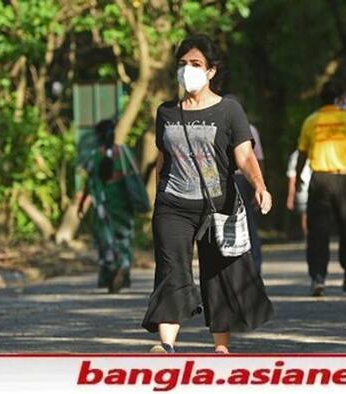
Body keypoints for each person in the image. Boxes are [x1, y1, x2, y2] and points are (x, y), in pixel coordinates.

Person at [142, 34, 273, 354]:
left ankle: (220, 346)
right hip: (173, 205)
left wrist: (260, 185)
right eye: (183, 64)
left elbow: (244, 155)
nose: (188, 70)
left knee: (220, 273)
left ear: (211, 71)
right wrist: (158, 200)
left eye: (196, 64)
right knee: (172, 268)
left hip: (218, 205)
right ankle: (167, 344)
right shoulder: (166, 112)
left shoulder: (229, 110)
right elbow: (162, 159)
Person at [295, 80, 346, 297]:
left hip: (319, 180)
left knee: (317, 231)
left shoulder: (311, 121)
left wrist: (299, 179)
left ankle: (318, 278)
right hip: (345, 181)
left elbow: (301, 153)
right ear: (341, 98)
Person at [77, 119, 143, 294]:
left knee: (105, 238)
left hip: (104, 203)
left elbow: (90, 183)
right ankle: (124, 265)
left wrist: (82, 203)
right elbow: (134, 176)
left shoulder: (94, 155)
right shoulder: (124, 152)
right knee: (125, 237)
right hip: (123, 202)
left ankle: (111, 267)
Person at [226, 94, 265, 274]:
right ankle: (253, 267)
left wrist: (259, 187)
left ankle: (245, 267)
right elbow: (257, 160)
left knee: (228, 223)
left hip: (235, 179)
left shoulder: (217, 126)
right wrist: (259, 185)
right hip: (242, 179)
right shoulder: (250, 129)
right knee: (248, 223)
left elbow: (254, 159)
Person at [286, 149, 312, 237]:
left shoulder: (295, 156)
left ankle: (308, 236)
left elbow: (292, 178)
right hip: (305, 189)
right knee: (307, 214)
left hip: (303, 188)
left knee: (305, 214)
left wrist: (290, 197)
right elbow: (292, 177)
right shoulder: (296, 156)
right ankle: (309, 236)